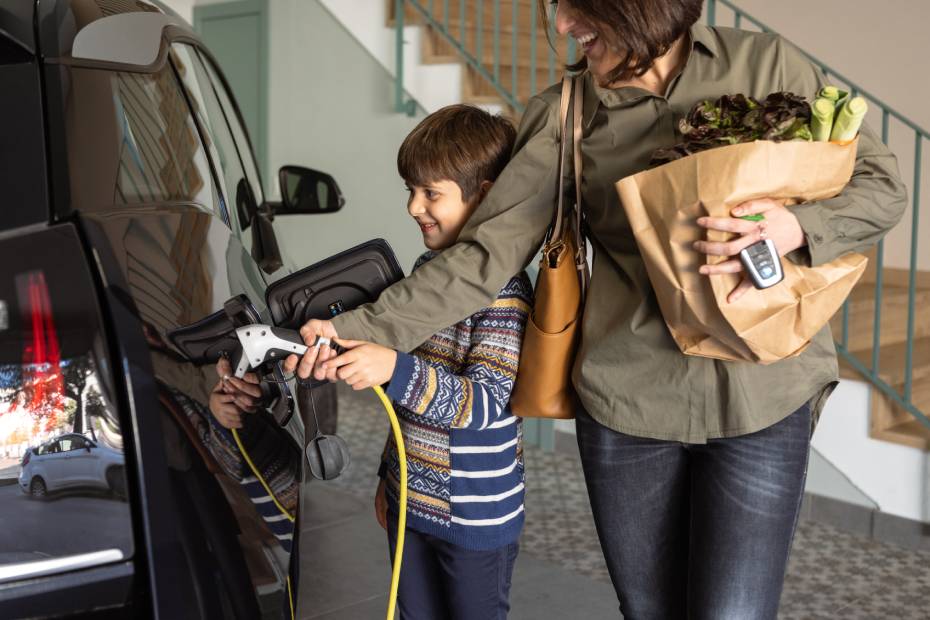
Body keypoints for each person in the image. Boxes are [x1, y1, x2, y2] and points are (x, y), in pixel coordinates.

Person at [285, 1, 907, 618]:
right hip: (628, 408)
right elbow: (482, 257)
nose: (560, 26)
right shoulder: (566, 112)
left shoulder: (765, 63)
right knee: (648, 610)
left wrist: (795, 225)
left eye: (577, 6)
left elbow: (881, 185)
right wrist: (348, 330)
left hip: (765, 393)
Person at [317, 104, 532, 619]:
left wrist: (394, 368)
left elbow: (484, 404)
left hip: (475, 520)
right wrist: (388, 478)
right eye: (411, 191)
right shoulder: (425, 271)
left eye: (431, 193)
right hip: (411, 501)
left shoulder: (504, 293)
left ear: (482, 195)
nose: (414, 207)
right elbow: (406, 411)